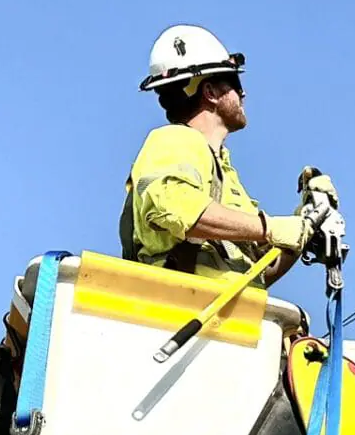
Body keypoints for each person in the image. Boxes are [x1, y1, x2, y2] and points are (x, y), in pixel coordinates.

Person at [121, 24, 339, 286]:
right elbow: (177, 208)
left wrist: (305, 222)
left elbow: (262, 270)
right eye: (235, 83)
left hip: (225, 316)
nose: (243, 93)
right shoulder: (174, 140)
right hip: (181, 312)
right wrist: (270, 228)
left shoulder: (224, 176)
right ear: (210, 92)